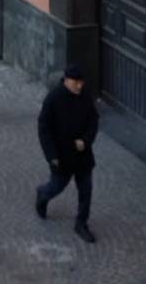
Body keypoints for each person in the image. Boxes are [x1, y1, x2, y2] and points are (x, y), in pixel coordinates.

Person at [35, 64, 99, 244]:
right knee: (56, 187)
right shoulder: (54, 99)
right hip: (62, 156)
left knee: (86, 190)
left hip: (83, 155)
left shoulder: (84, 96)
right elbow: (44, 128)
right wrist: (52, 156)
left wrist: (86, 141)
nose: (79, 86)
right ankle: (42, 194)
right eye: (76, 82)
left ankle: (81, 224)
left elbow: (93, 120)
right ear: (66, 81)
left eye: (81, 82)